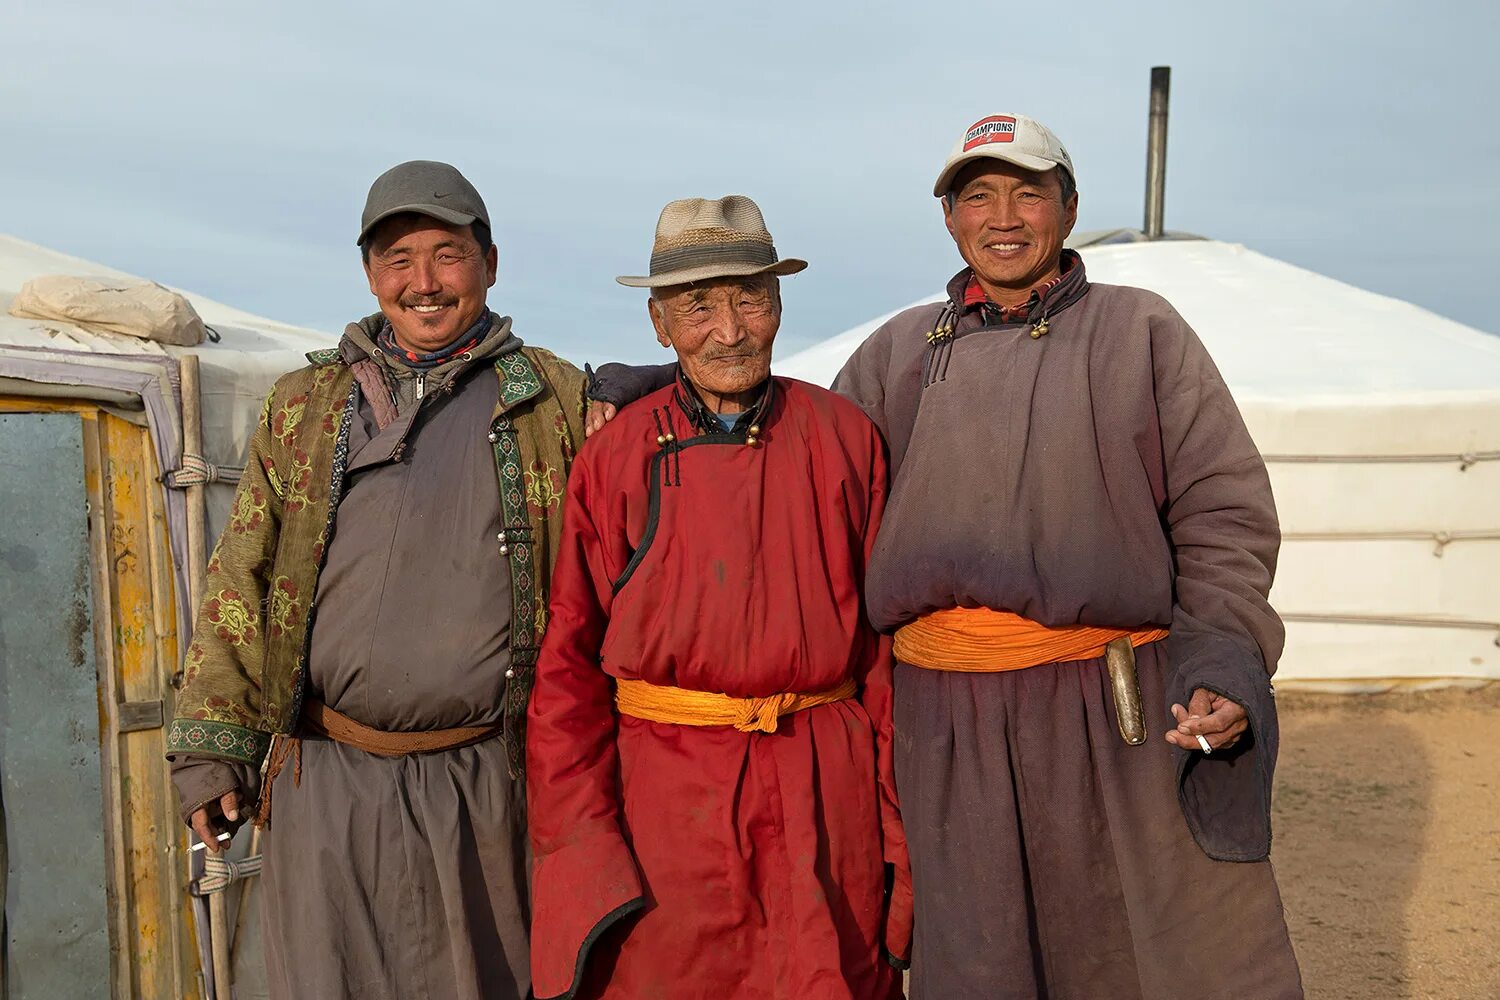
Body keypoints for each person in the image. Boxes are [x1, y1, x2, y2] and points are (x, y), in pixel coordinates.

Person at [587, 117, 1304, 999]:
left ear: (1069, 208)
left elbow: (1223, 511)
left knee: (1137, 953)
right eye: (977, 195)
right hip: (943, 725)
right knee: (979, 958)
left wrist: (1223, 657)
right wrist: (648, 383)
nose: (1003, 216)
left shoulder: (1141, 333)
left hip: (1109, 707)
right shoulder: (898, 353)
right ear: (949, 219)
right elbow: (781, 431)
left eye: (1028, 191)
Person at [166, 160, 588, 1000]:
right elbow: (239, 577)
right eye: (398, 259)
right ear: (369, 273)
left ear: (491, 263)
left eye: (446, 254)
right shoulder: (305, 402)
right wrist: (213, 751)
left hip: (488, 787)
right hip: (329, 779)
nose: (423, 283)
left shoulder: (556, 399)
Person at [526, 195, 911, 1000]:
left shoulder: (845, 439)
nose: (730, 330)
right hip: (668, 806)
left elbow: (885, 661)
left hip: (820, 796)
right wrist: (583, 842)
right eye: (699, 305)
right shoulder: (616, 457)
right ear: (660, 325)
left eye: (750, 298)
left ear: (779, 304)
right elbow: (568, 670)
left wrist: (898, 844)